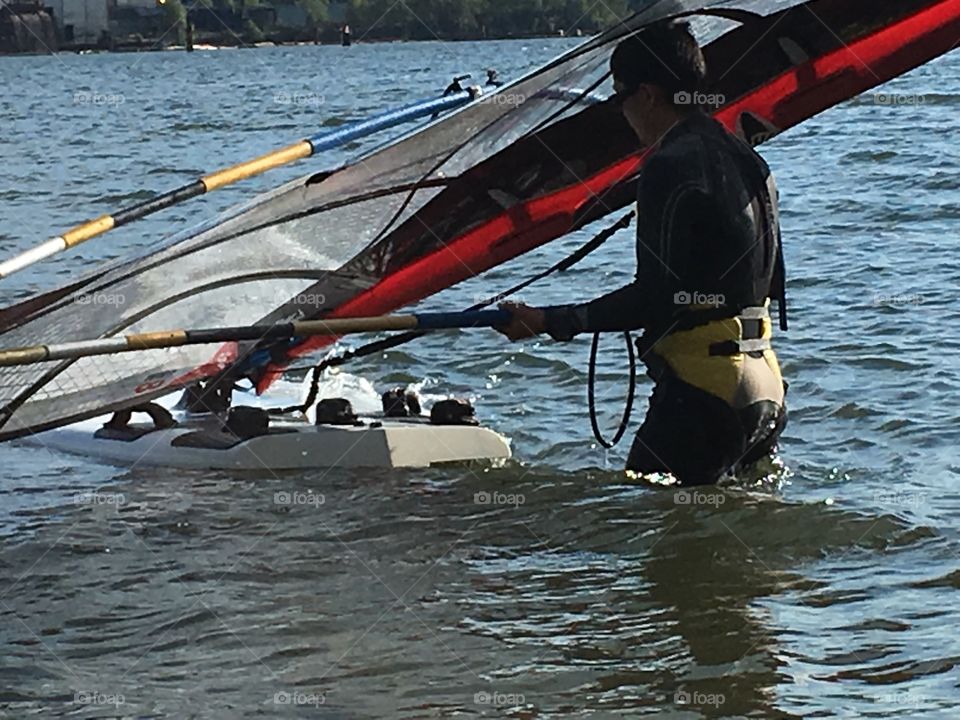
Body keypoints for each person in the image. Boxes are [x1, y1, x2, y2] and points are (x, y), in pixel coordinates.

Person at [495, 21, 788, 486]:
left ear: (648, 94)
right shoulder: (745, 155)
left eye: (619, 97)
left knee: (647, 526)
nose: (620, 111)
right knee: (729, 543)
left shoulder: (669, 165)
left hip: (705, 392)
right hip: (765, 384)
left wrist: (550, 321)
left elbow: (655, 297)